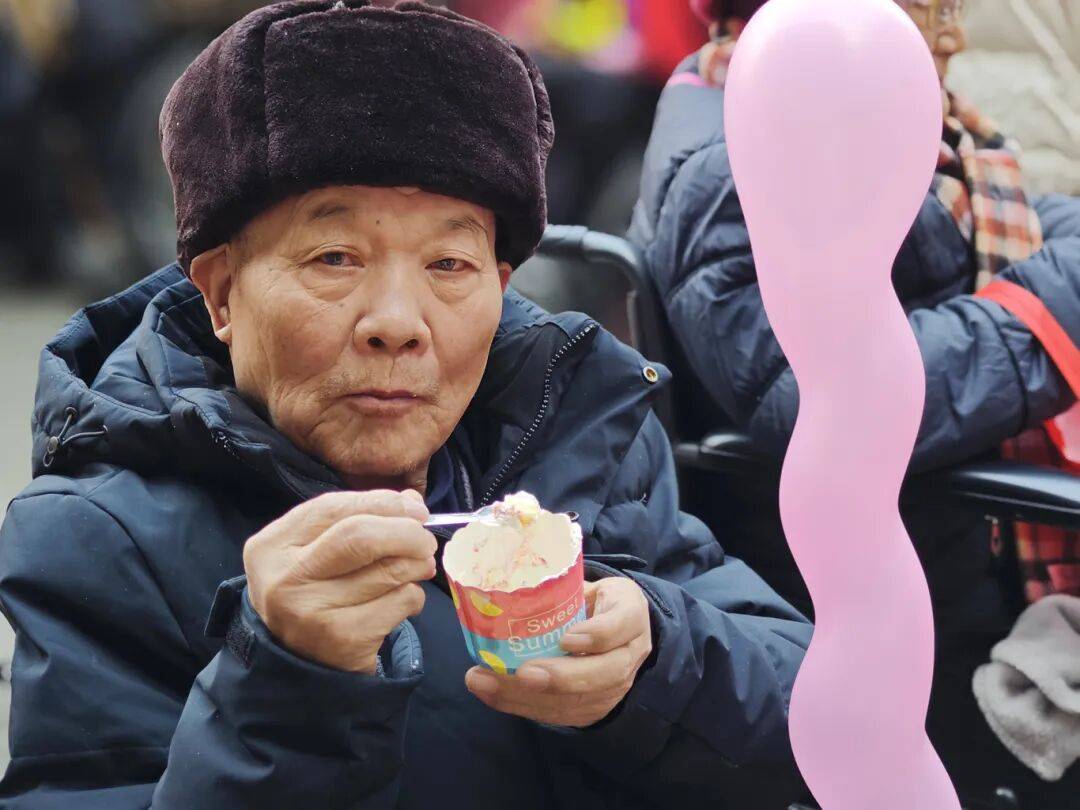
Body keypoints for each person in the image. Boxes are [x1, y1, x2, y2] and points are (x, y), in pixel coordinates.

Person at [0, 2, 812, 808]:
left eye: (450, 264)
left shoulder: (579, 433)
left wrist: (656, 659)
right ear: (220, 294)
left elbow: (811, 706)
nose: (397, 323)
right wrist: (286, 684)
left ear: (500, 287)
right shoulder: (103, 536)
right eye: (335, 257)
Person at [629, 0, 1080, 804]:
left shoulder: (916, 140)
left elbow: (1033, 238)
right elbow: (805, 393)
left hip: (950, 566)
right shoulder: (744, 158)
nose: (955, 37)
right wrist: (1047, 314)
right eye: (931, 9)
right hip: (912, 620)